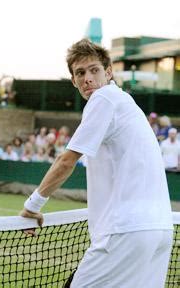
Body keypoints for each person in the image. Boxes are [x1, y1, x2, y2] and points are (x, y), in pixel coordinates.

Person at [20, 39, 173, 287]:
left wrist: (33, 205)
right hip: (160, 231)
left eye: (94, 70)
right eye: (80, 73)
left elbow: (66, 160)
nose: (88, 78)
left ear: (109, 72)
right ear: (73, 80)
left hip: (126, 230)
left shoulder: (104, 99)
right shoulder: (126, 103)